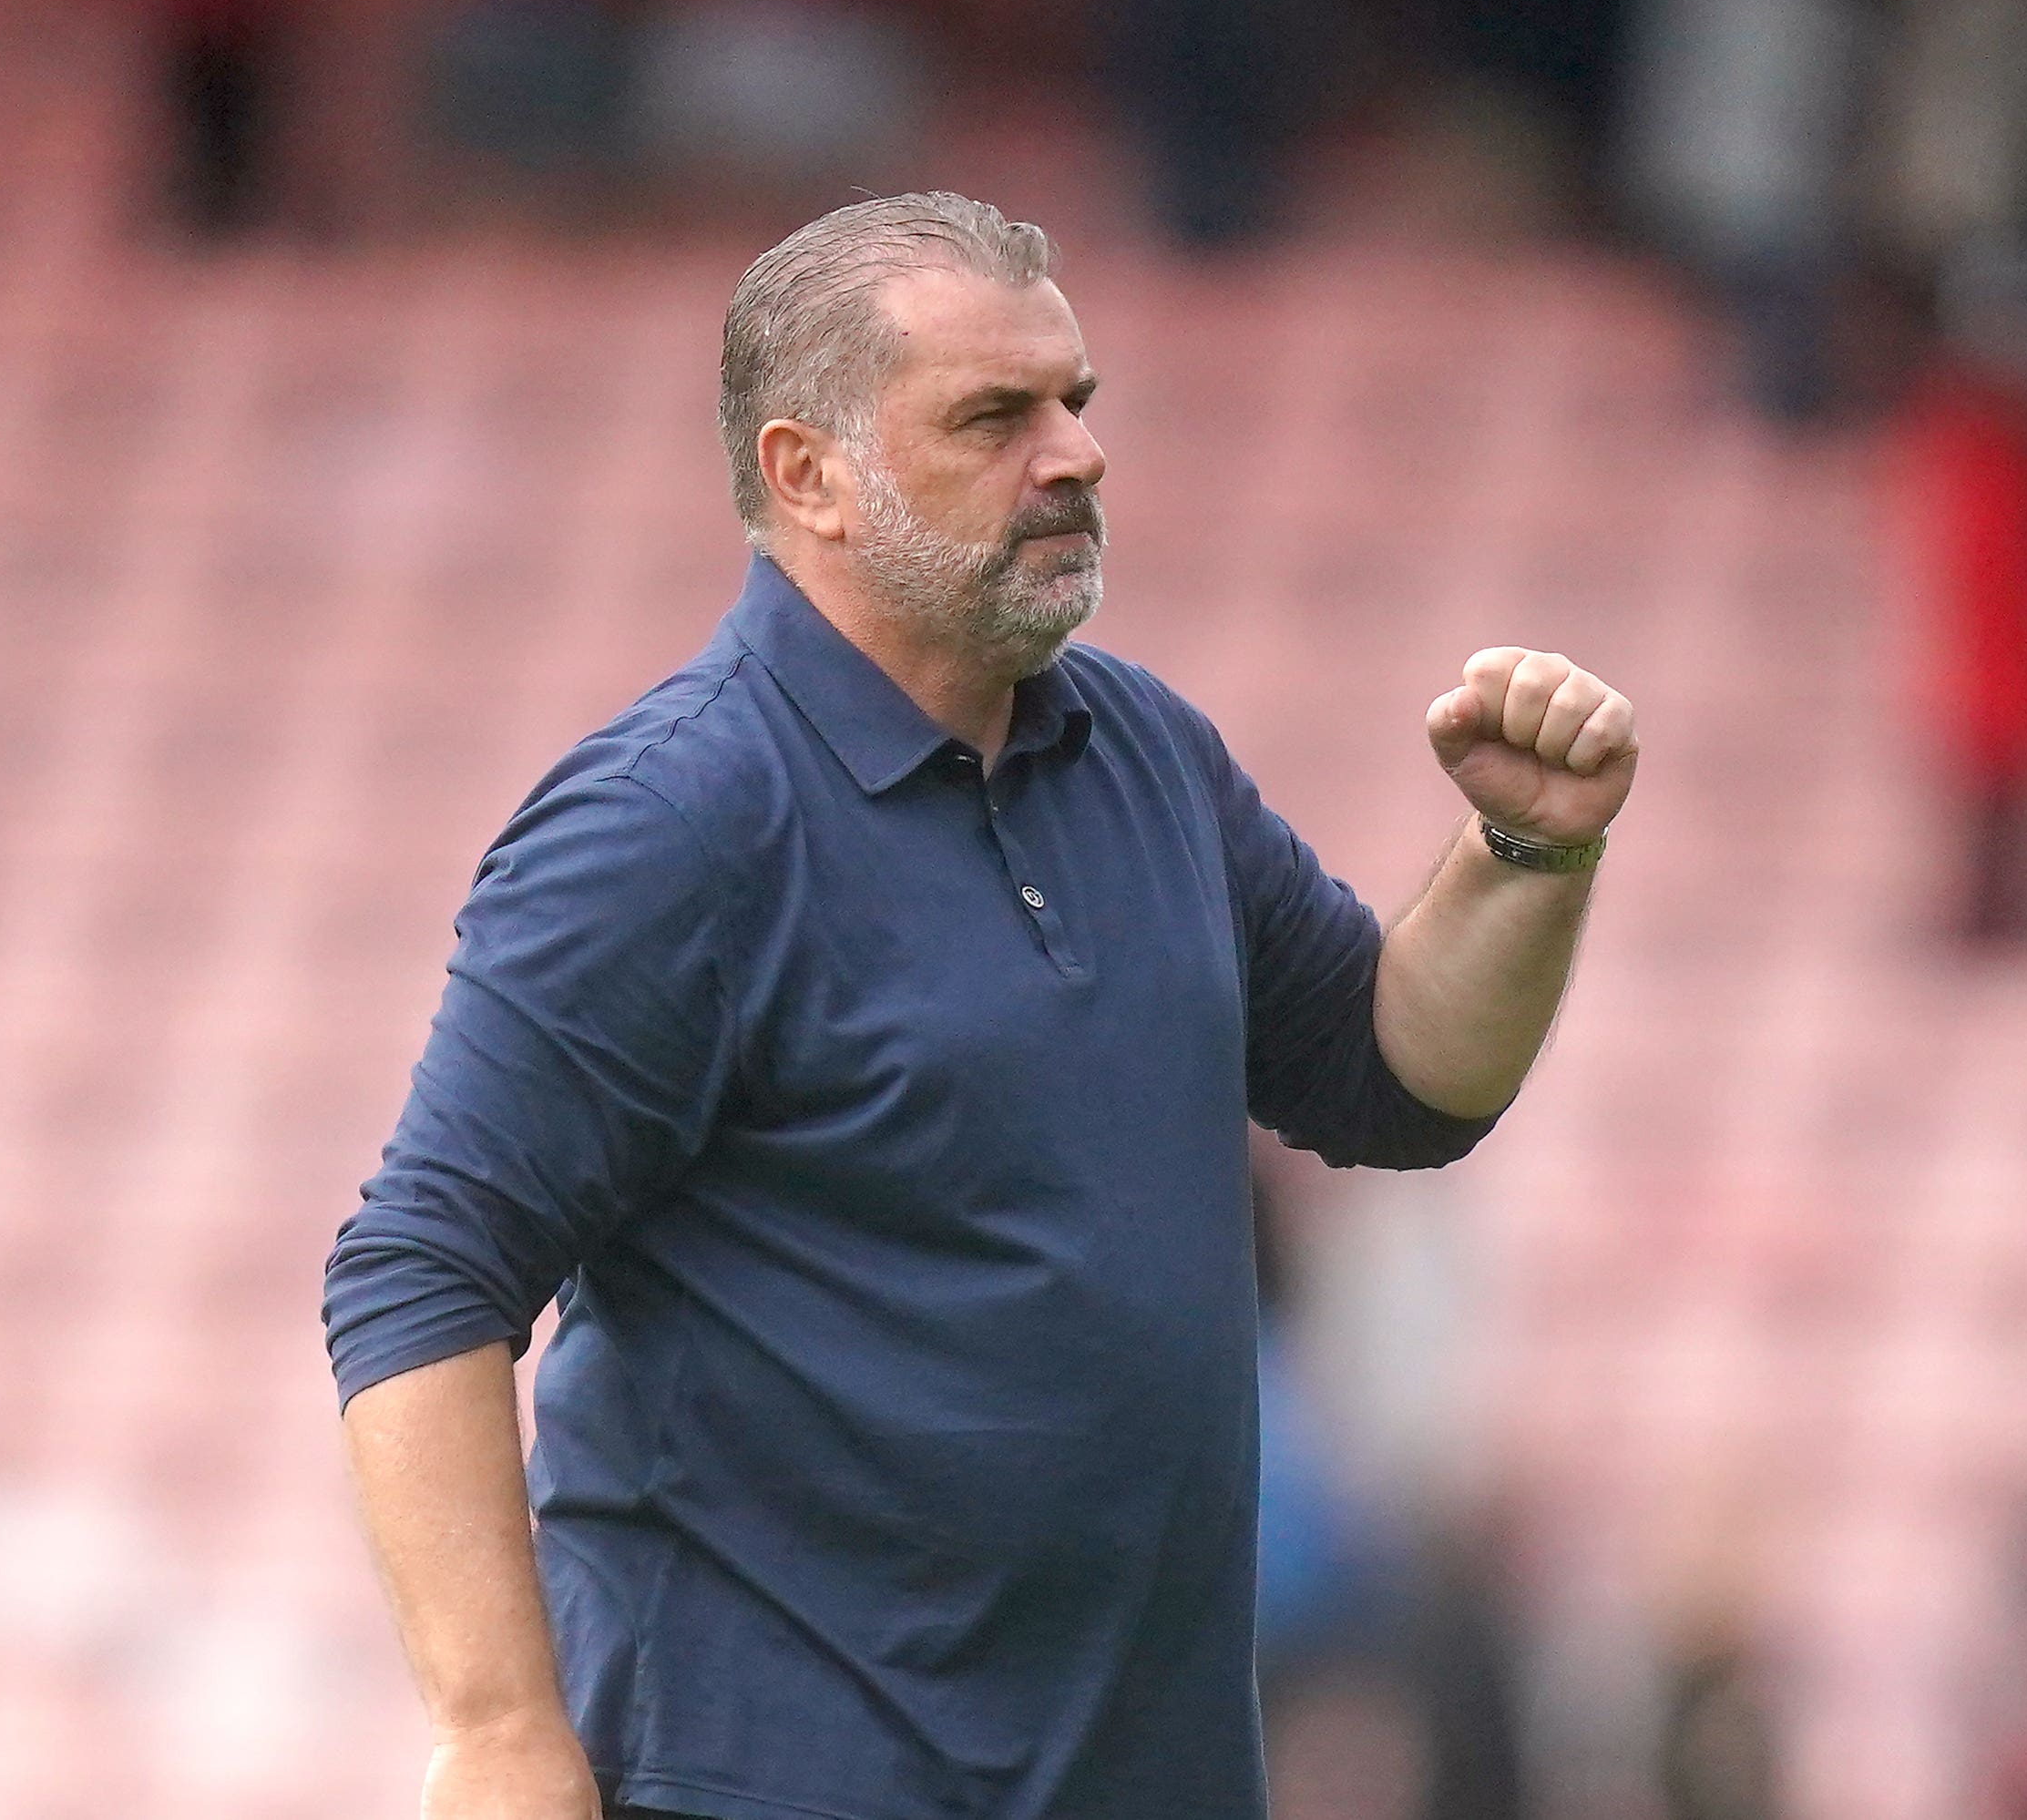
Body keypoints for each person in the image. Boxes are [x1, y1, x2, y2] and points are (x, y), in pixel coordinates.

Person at [322, 191, 1639, 1820]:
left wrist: (1527, 851)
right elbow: (420, 1270)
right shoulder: (669, 824)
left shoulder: (1147, 756)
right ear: (808, 476)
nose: (1075, 455)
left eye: (1075, 403)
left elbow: (1400, 1080)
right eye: (995, 417)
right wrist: (501, 1732)